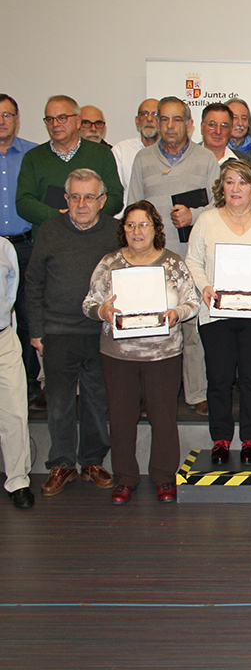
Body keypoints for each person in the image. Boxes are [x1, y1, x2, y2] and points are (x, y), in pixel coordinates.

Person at [82, 201, 199, 504]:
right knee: (121, 419)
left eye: (143, 224)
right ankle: (125, 478)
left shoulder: (172, 263)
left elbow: (193, 302)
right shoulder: (110, 263)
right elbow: (88, 304)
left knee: (163, 418)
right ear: (123, 230)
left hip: (163, 355)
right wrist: (102, 310)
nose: (137, 231)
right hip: (118, 355)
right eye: (131, 225)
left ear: (155, 229)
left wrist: (177, 313)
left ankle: (163, 477)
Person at [26, 168, 119, 497]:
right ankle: (62, 463)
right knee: (60, 403)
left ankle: (92, 460)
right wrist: (36, 329)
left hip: (101, 332)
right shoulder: (50, 230)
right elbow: (34, 281)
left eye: (89, 197)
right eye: (75, 197)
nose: (82, 204)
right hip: (57, 330)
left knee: (97, 400)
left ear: (102, 201)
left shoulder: (116, 232)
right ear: (66, 200)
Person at [127, 96, 219, 417]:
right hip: (151, 261)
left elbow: (219, 207)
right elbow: (133, 209)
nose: (169, 126)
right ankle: (149, 396)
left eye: (176, 120)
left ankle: (197, 393)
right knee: (149, 330)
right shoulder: (143, 159)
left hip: (191, 258)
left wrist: (193, 215)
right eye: (163, 119)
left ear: (189, 124)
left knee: (192, 329)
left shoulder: (206, 159)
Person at [186, 159, 251, 465]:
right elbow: (193, 262)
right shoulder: (206, 220)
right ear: (221, 187)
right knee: (219, 378)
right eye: (229, 182)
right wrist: (203, 287)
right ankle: (221, 439)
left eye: (243, 182)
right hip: (216, 313)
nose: (236, 188)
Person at [17, 95, 123, 235]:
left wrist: (87, 217)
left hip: (94, 239)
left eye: (62, 118)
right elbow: (24, 203)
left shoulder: (102, 154)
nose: (55, 124)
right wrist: (60, 217)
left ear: (78, 121)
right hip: (49, 240)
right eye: (50, 119)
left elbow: (115, 197)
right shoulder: (33, 157)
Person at [0, 94, 41, 395]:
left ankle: (26, 385)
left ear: (17, 118)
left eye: (7, 115)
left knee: (27, 317)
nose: (2, 121)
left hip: (25, 245)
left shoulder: (33, 155)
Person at [0, 236, 33, 508]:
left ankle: (18, 481)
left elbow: (11, 292)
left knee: (14, 411)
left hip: (3, 339)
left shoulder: (4, 248)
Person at [111, 99, 160, 206]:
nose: (149, 119)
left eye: (155, 114)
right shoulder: (121, 150)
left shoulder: (172, 153)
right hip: (126, 218)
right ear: (137, 121)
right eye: (145, 114)